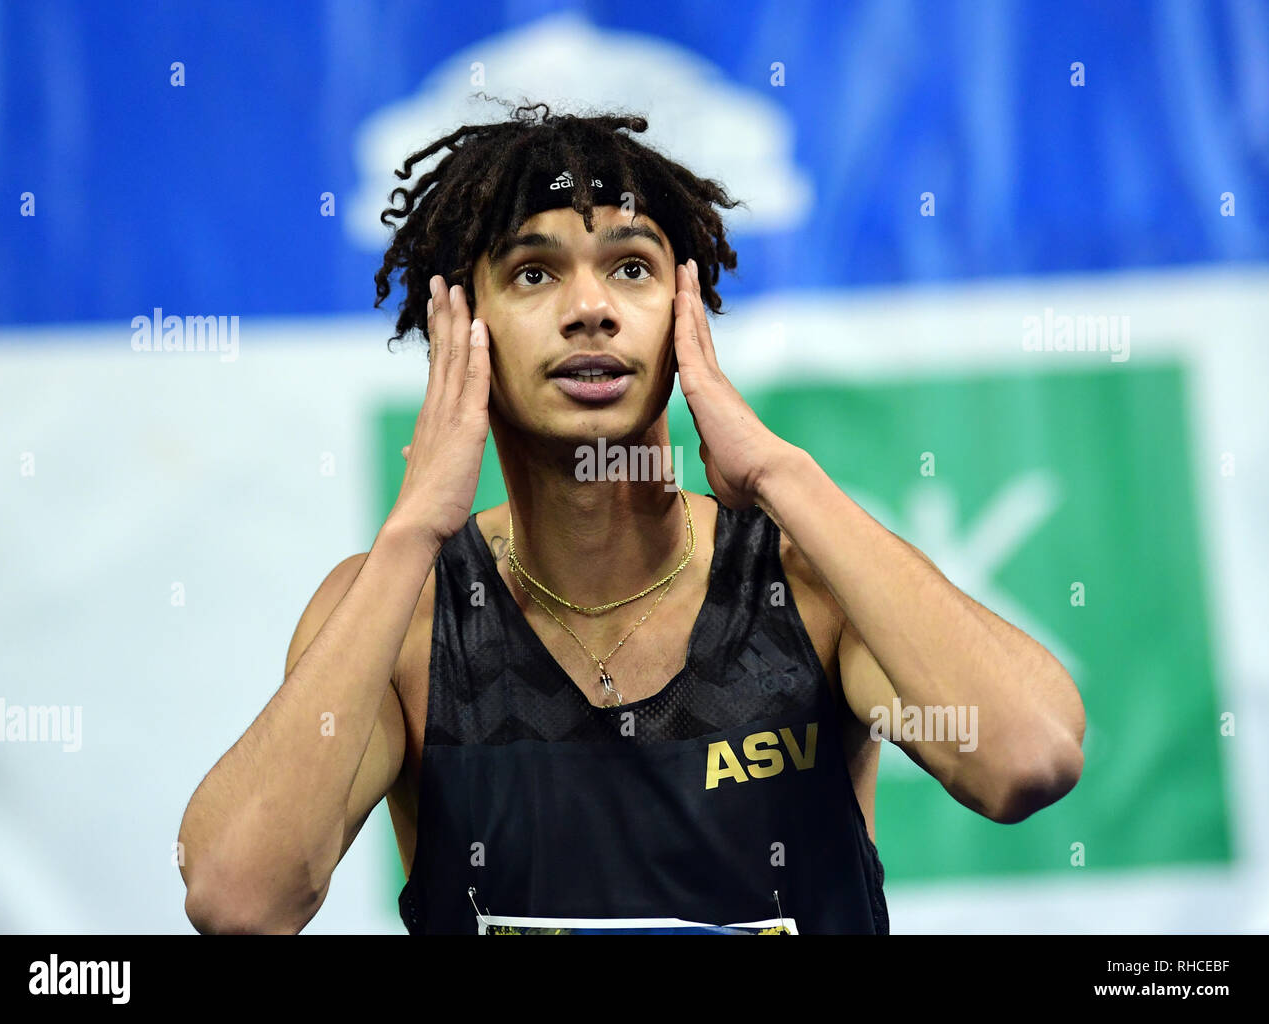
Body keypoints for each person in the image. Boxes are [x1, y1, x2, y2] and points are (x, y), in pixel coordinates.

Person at [177, 99, 1086, 935]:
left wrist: (780, 474)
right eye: (533, 273)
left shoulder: (805, 582)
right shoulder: (406, 619)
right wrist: (414, 529)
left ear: (685, 310)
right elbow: (238, 899)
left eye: (632, 267)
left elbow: (1028, 758)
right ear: (461, 323)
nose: (590, 310)